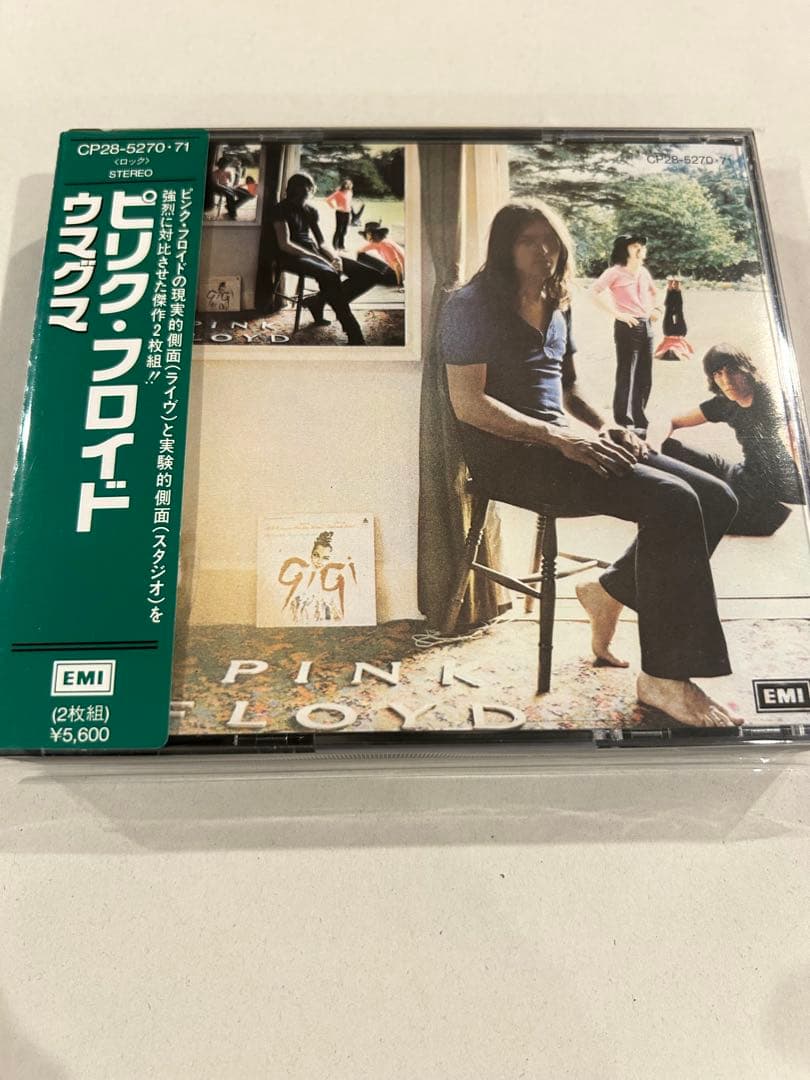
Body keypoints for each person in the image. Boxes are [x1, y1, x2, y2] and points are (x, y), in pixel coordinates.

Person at [440, 201, 742, 728]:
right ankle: (664, 677)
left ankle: (609, 589)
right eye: (528, 240)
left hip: (563, 443)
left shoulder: (556, 297)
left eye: (551, 239)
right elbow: (469, 404)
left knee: (718, 497)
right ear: (503, 247)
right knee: (673, 501)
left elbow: (570, 384)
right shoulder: (470, 305)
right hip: (510, 457)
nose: (544, 251)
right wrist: (558, 437)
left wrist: (606, 426)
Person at [659, 344, 805, 535]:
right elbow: (674, 421)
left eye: (732, 371)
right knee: (668, 447)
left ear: (747, 371)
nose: (726, 381)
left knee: (690, 520)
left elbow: (795, 443)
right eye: (718, 373)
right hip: (743, 476)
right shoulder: (725, 403)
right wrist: (650, 446)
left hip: (767, 495)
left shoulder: (772, 399)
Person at [269, 172, 379, 346]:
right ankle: (353, 331)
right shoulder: (279, 209)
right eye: (308, 189)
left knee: (370, 274)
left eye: (310, 189)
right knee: (329, 274)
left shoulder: (309, 210)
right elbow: (285, 244)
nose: (310, 192)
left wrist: (335, 257)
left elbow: (321, 242)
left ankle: (318, 300)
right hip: (290, 256)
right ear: (296, 190)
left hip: (312, 252)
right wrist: (320, 260)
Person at [593, 233, 663, 437]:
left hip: (646, 325)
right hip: (627, 327)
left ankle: (640, 419)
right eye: (634, 246)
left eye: (642, 245)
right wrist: (618, 315)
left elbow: (656, 293)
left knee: (645, 375)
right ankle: (623, 421)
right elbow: (592, 293)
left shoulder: (644, 272)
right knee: (626, 374)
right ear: (624, 250)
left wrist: (657, 309)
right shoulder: (614, 272)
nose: (640, 249)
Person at [278, 531, 357, 623]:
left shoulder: (330, 576)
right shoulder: (304, 572)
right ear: (311, 554)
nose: (319, 561)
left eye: (325, 558)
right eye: (316, 555)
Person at [654, 275, 694, 361]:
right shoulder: (678, 346)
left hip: (672, 334)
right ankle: (674, 287)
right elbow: (687, 355)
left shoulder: (666, 347)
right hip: (677, 334)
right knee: (676, 311)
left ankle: (672, 287)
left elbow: (657, 355)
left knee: (672, 311)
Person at [210, 157, 252, 221]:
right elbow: (216, 184)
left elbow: (232, 184)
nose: (225, 166)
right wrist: (227, 188)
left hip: (228, 187)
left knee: (249, 195)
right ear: (220, 164)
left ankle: (230, 207)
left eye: (226, 164)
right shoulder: (215, 173)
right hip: (219, 188)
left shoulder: (228, 172)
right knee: (230, 193)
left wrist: (237, 176)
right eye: (223, 164)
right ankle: (232, 215)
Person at [325, 178, 354, 251]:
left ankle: (341, 246)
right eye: (347, 184)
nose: (348, 186)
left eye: (350, 184)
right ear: (344, 185)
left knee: (344, 231)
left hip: (347, 213)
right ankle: (334, 246)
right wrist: (335, 207)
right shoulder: (338, 193)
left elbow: (349, 203)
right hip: (340, 213)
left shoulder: (350, 193)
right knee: (339, 230)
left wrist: (351, 211)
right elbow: (328, 200)